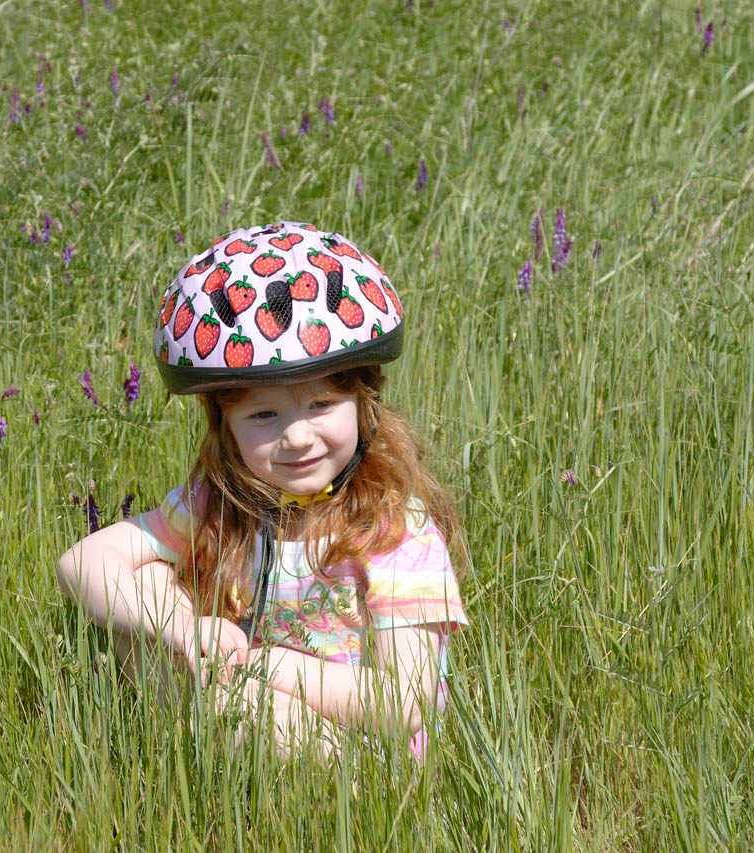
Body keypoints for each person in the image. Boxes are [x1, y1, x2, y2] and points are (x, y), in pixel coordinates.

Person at [56, 221, 467, 761]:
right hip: (244, 701)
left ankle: (204, 730)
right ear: (224, 424)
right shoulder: (221, 503)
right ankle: (195, 735)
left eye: (321, 405)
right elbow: (81, 562)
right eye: (264, 415)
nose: (297, 437)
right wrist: (180, 628)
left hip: (366, 754)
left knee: (236, 703)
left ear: (364, 400)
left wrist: (269, 666)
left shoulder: (392, 529)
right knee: (147, 579)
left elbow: (404, 702)